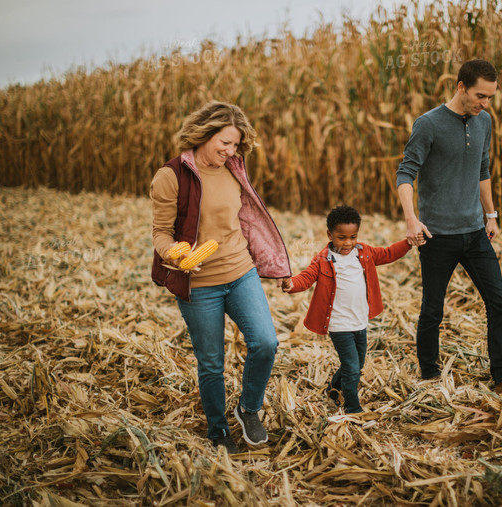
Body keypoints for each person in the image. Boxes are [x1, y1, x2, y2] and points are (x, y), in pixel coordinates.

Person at [150, 101, 291, 453]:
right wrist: (176, 255)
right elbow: (160, 233)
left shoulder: (233, 168)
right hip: (199, 284)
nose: (230, 151)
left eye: (235, 145)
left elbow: (247, 221)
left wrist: (275, 264)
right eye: (224, 143)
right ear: (203, 133)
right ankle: (218, 431)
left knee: (266, 343)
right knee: (211, 362)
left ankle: (248, 409)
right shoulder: (171, 175)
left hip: (240, 271)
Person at [396, 59, 502, 396]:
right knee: (432, 310)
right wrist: (412, 219)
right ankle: (429, 378)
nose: (485, 104)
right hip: (437, 236)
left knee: (499, 303)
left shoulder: (484, 122)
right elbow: (405, 174)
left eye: (490, 98)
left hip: (475, 232)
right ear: (460, 87)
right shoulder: (429, 124)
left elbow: (482, 169)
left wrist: (491, 214)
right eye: (480, 96)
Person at [281, 205, 413, 413]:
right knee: (352, 368)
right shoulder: (323, 259)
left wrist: (408, 243)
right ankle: (352, 407)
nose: (348, 243)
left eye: (353, 237)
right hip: (339, 325)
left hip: (359, 321)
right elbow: (306, 277)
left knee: (356, 364)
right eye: (342, 237)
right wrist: (292, 284)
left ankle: (333, 389)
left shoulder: (364, 253)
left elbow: (388, 253)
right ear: (330, 235)